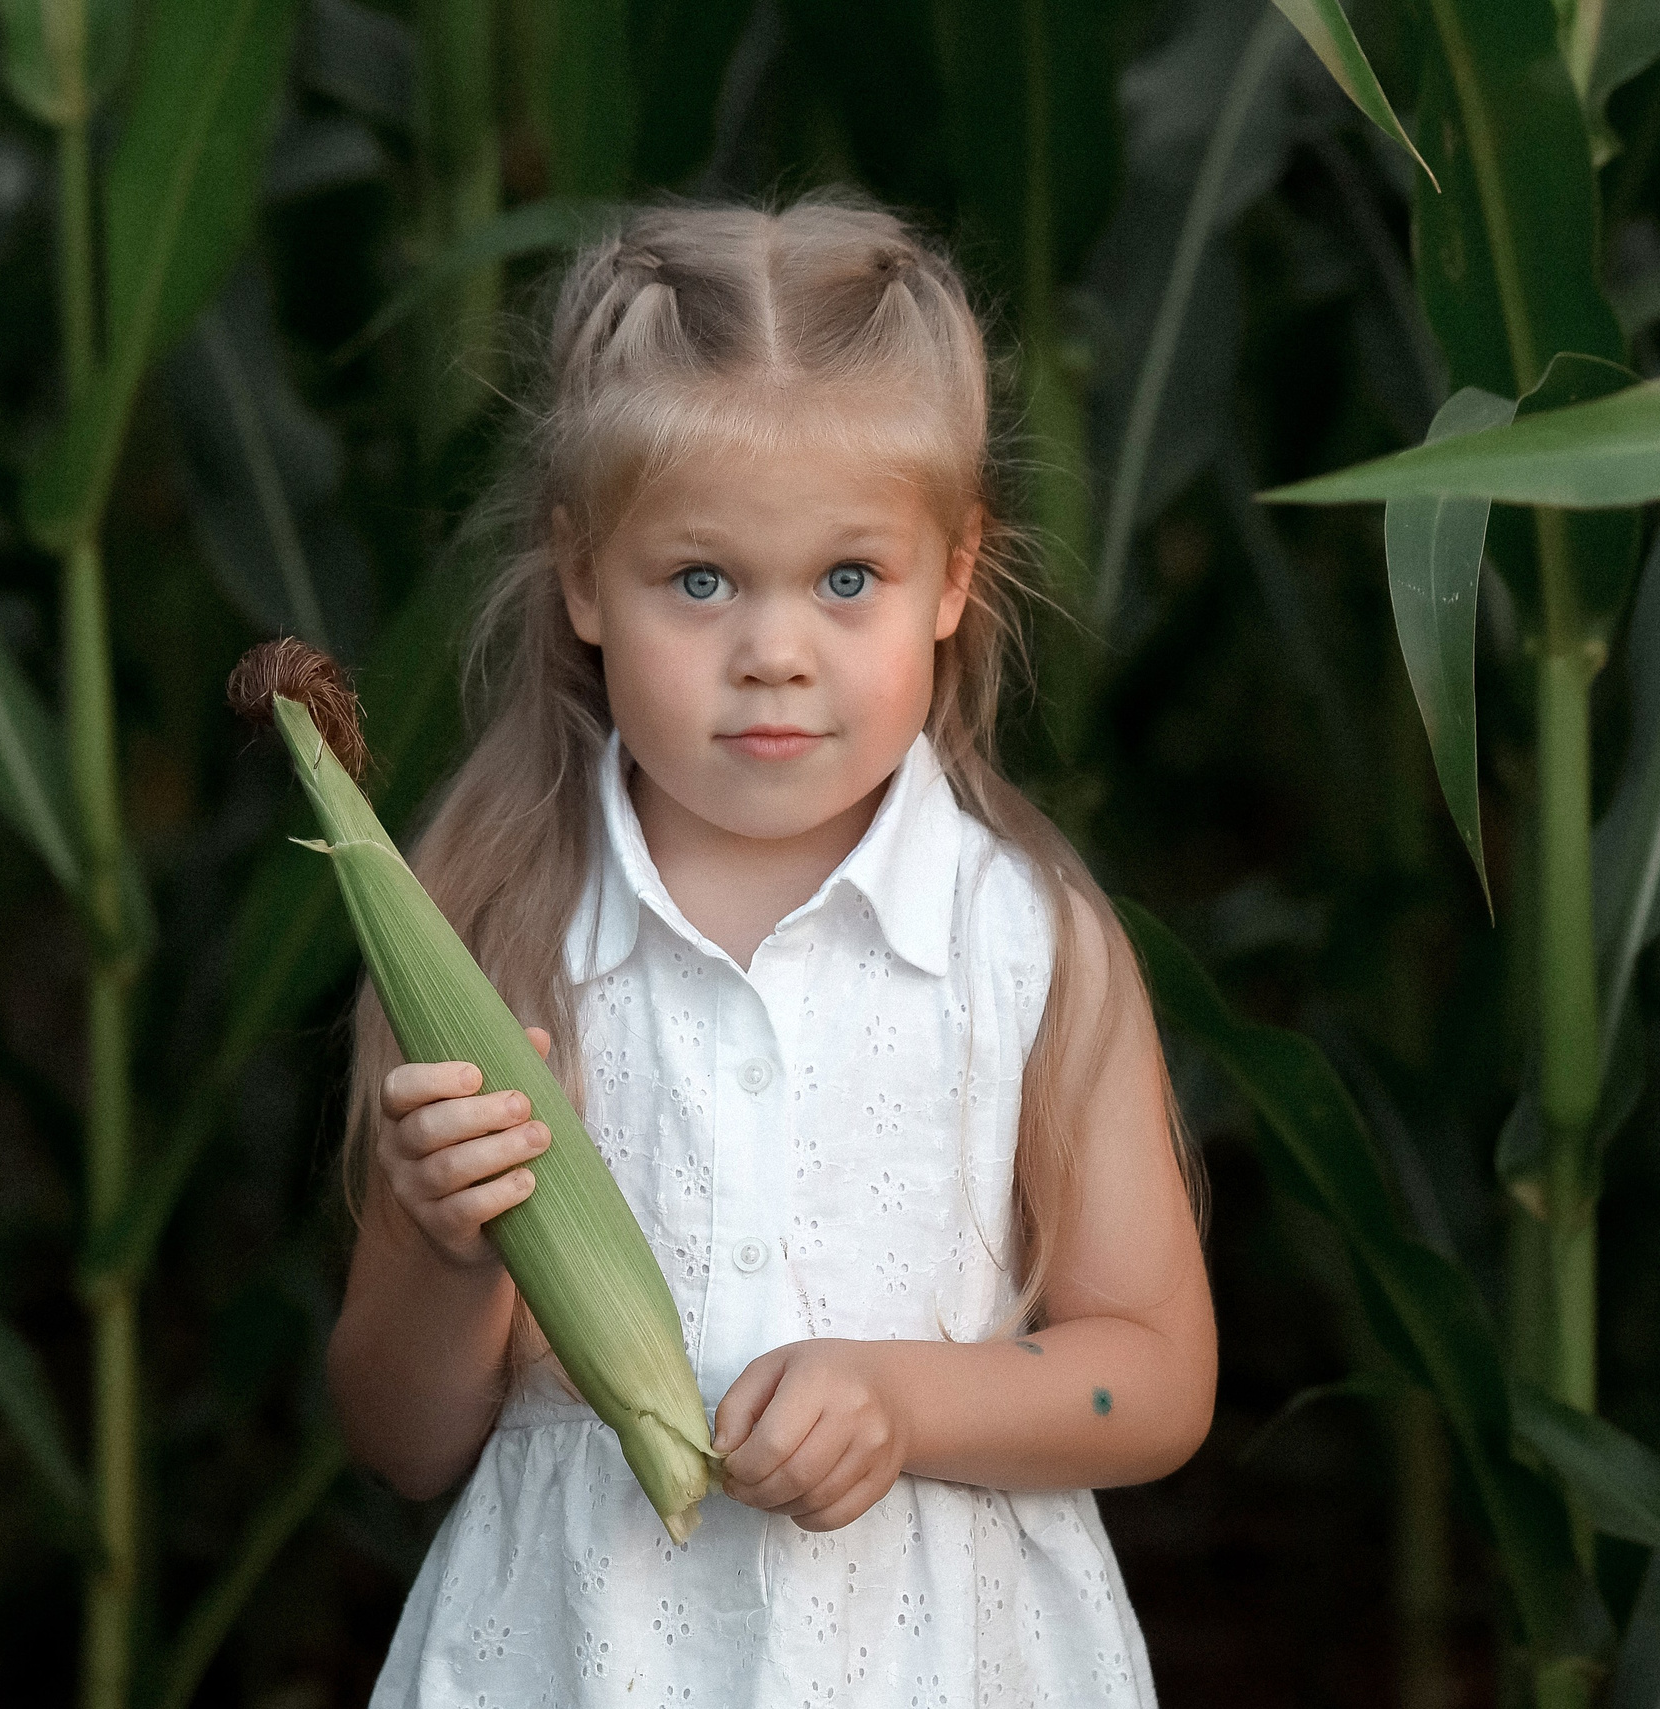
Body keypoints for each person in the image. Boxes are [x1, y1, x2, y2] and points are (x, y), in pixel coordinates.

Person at [326, 195, 1216, 1707]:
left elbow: (1155, 1376)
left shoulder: (1024, 944)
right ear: (584, 576)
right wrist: (438, 1241)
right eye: (702, 580)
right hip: (572, 1660)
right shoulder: (487, 937)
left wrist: (904, 1395)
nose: (776, 649)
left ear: (952, 576)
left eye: (847, 579)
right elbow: (402, 1438)